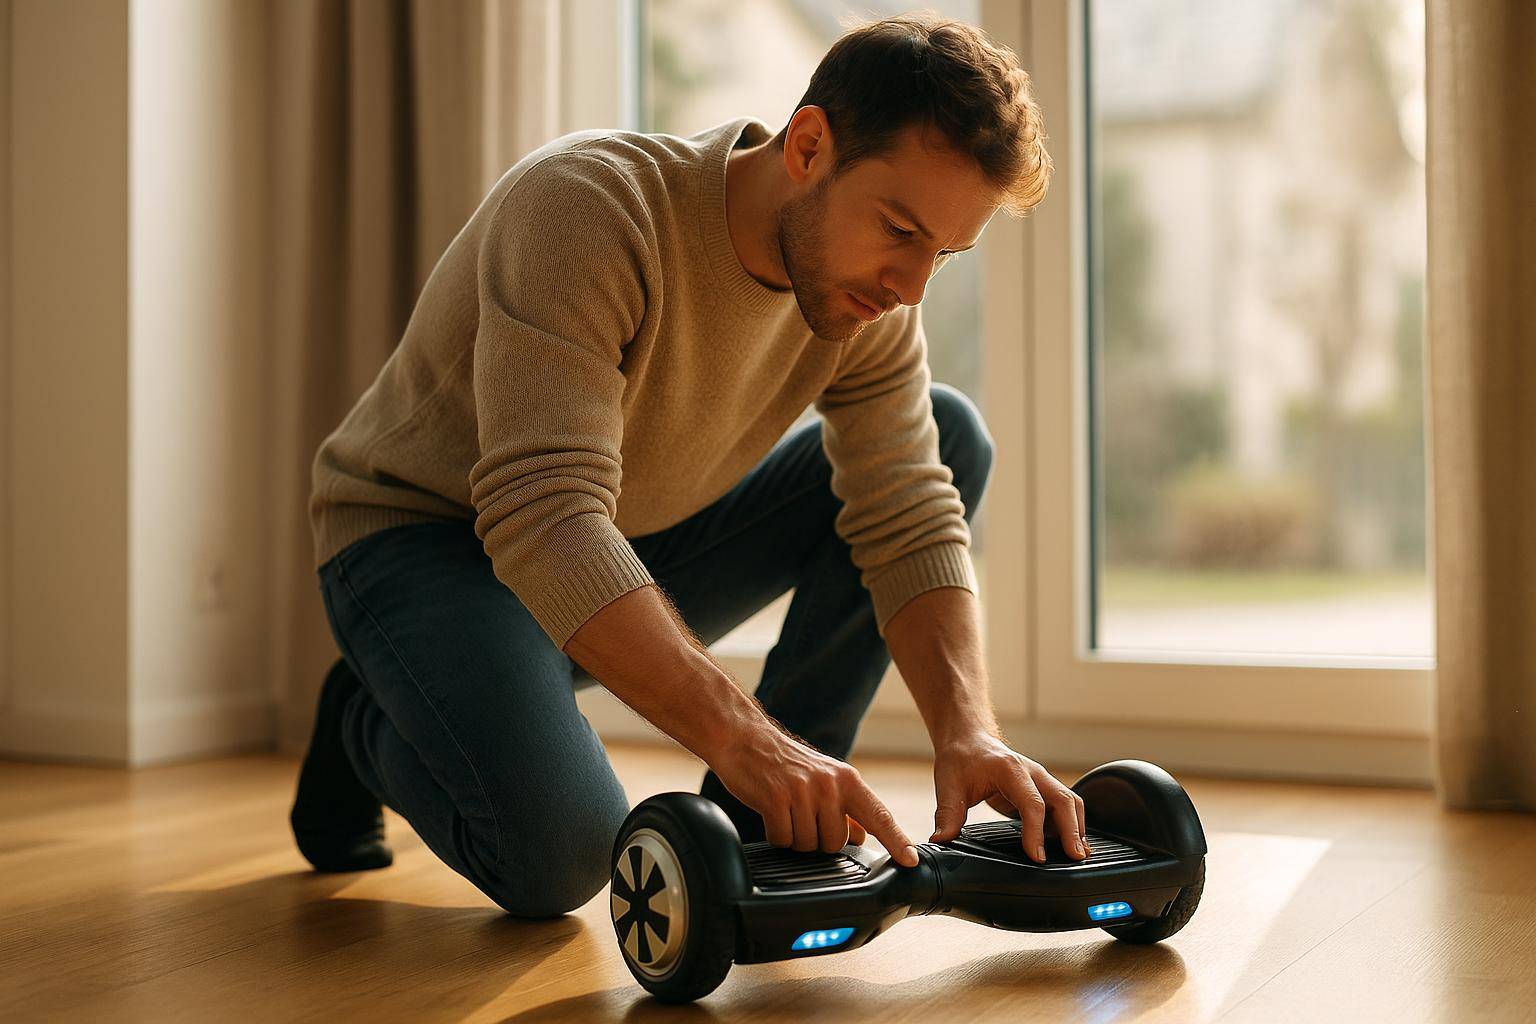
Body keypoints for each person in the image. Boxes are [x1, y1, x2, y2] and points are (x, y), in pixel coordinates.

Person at [290, 12, 1088, 918]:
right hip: (425, 537)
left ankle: (766, 820)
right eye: (900, 229)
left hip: (618, 528)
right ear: (809, 145)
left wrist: (969, 732)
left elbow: (905, 511)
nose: (911, 286)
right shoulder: (588, 208)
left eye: (943, 254)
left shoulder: (873, 304)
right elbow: (543, 514)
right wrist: (743, 731)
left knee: (944, 434)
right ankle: (367, 707)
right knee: (561, 856)